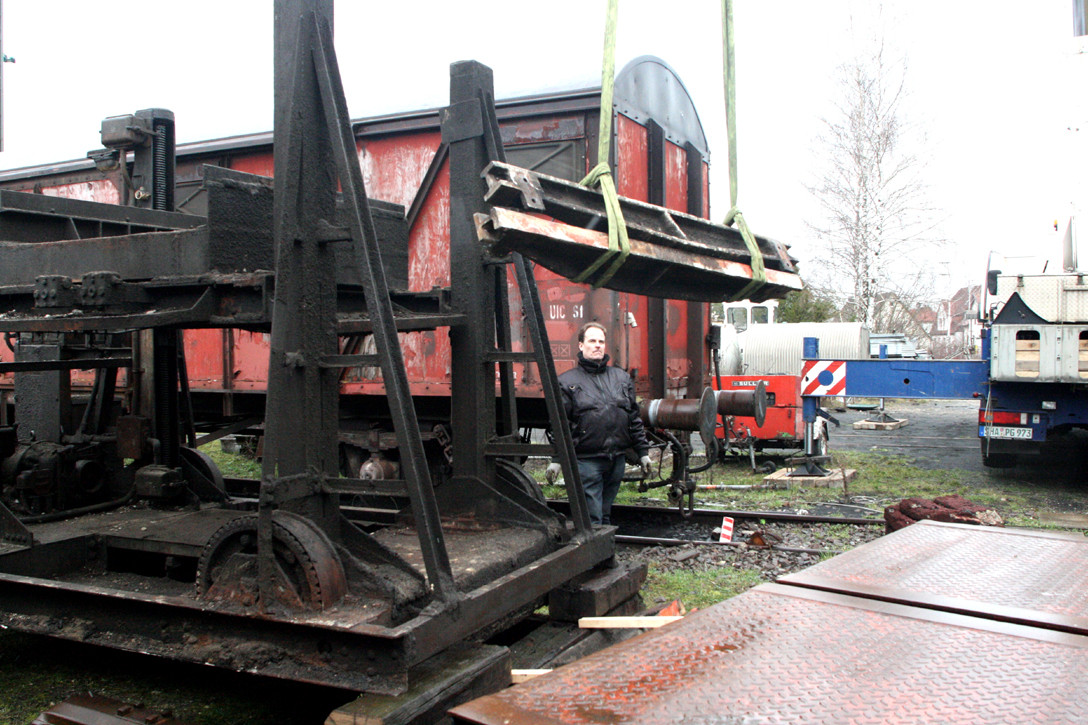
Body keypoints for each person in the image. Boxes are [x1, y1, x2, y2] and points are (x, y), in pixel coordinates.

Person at [545, 322, 652, 525]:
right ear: (580, 345)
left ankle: (603, 553)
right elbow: (560, 424)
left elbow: (633, 418)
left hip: (616, 460)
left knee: (604, 514)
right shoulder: (567, 382)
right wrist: (557, 459)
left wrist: (643, 452)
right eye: (592, 341)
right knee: (593, 518)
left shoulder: (620, 378)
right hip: (586, 460)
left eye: (601, 341)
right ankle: (597, 553)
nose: (597, 346)